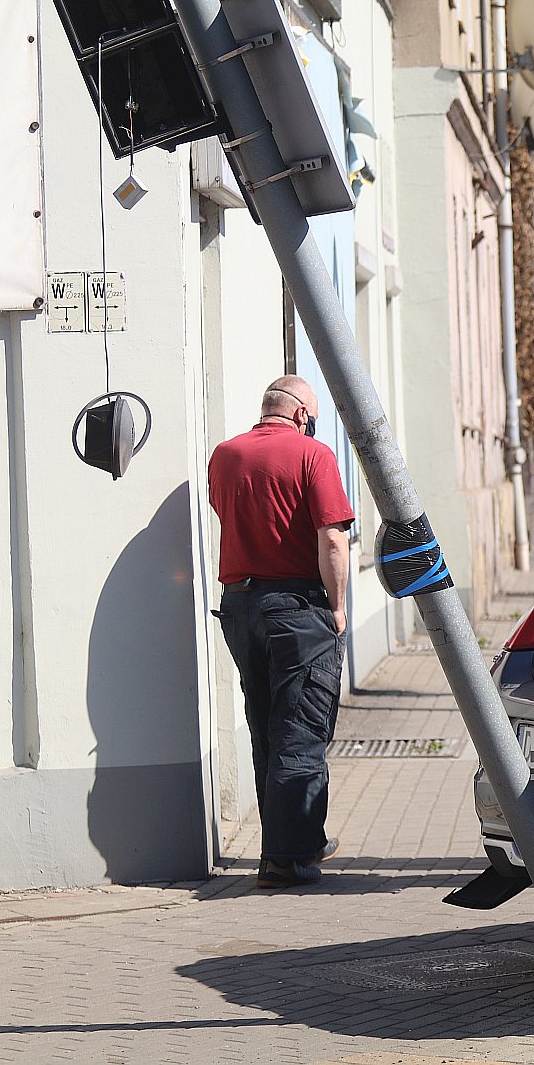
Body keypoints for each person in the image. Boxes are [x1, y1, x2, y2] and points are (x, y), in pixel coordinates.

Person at [208, 376, 355, 889]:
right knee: (301, 729)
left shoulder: (225, 455)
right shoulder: (312, 454)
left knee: (266, 724)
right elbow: (332, 540)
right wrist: (337, 608)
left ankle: (284, 843)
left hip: (241, 606)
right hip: (296, 607)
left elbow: (226, 513)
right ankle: (289, 857)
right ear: (301, 415)